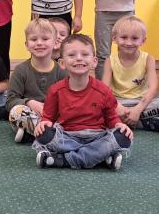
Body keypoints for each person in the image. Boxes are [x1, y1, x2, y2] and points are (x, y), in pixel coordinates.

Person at [32, 33, 134, 170]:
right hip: (67, 138)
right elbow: (48, 117)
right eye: (71, 55)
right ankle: (100, 157)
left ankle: (62, 160)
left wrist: (119, 125)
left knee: (123, 137)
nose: (79, 58)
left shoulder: (104, 91)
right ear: (62, 63)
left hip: (97, 137)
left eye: (85, 54)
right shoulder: (55, 90)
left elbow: (111, 118)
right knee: (43, 134)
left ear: (94, 62)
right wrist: (44, 123)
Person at [101, 15, 159, 132]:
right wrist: (117, 106)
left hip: (140, 101)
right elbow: (105, 90)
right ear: (114, 38)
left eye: (134, 38)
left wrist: (138, 110)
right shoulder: (110, 61)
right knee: (97, 106)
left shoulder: (148, 59)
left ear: (143, 41)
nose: (129, 42)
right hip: (118, 101)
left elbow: (154, 88)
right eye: (124, 37)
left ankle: (120, 121)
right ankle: (142, 123)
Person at [7, 18, 67, 142]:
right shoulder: (20, 71)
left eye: (45, 39)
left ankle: (33, 133)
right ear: (26, 45)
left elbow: (67, 99)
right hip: (31, 114)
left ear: (55, 43)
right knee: (16, 112)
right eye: (34, 39)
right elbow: (10, 101)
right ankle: (47, 134)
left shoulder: (62, 72)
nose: (39, 43)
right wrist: (29, 102)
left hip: (53, 116)